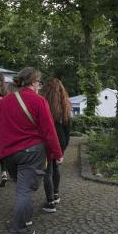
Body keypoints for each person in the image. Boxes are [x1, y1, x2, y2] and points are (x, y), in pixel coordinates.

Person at [0, 67, 63, 234]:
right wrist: (57, 153)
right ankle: (19, 230)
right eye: (39, 82)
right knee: (25, 190)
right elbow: (49, 131)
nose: (39, 86)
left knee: (22, 187)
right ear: (34, 83)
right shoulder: (38, 101)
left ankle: (26, 219)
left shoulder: (5, 101)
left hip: (8, 154)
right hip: (32, 153)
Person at [39, 78, 71, 213]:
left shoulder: (42, 103)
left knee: (48, 171)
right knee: (56, 167)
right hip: (61, 140)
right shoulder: (65, 105)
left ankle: (50, 202)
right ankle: (56, 194)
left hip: (47, 140)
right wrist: (64, 146)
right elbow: (68, 128)